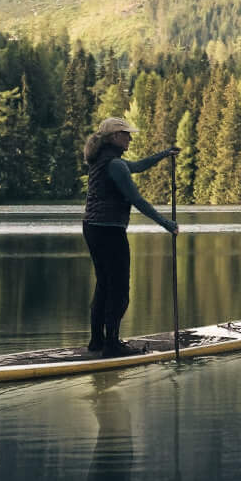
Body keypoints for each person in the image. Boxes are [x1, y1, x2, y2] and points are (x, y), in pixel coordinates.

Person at [81, 116, 176, 356]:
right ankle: (112, 345)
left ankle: (97, 342)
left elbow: (138, 166)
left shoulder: (104, 160)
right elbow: (137, 200)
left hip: (92, 228)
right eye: (126, 134)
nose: (130, 138)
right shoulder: (115, 165)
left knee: (104, 284)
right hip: (110, 230)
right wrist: (167, 224)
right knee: (120, 288)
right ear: (115, 137)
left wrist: (165, 154)